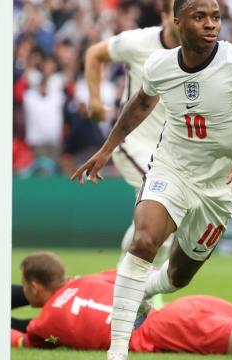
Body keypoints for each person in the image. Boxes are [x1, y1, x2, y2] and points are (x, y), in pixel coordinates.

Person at [71, 0, 232, 358]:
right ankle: (117, 350)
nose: (211, 24)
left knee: (178, 276)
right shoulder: (159, 64)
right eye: (200, 17)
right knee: (143, 240)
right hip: (171, 168)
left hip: (219, 186)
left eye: (216, 17)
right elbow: (141, 103)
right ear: (177, 21)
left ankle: (144, 290)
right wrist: (107, 148)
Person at [10, 251, 232, 356]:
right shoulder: (89, 281)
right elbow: (138, 273)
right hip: (184, 308)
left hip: (166, 330)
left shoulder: (45, 322)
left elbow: (22, 338)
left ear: (34, 288)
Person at [84, 0, 180, 269]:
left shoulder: (198, 54)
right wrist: (94, 100)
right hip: (134, 142)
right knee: (163, 207)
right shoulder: (138, 42)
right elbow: (94, 53)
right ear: (164, 15)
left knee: (165, 222)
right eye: (177, 13)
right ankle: (138, 285)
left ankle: (124, 277)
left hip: (171, 151)